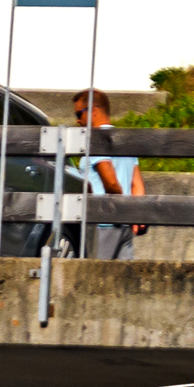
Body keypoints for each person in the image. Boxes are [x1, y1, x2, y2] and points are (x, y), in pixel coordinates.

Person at [72, 88, 147, 259]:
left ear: (93, 111)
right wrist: (134, 214)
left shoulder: (97, 140)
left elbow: (111, 182)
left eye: (79, 114)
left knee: (94, 279)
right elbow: (137, 185)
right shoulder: (124, 140)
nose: (77, 121)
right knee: (122, 281)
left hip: (103, 223)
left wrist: (121, 209)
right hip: (125, 227)